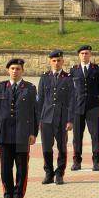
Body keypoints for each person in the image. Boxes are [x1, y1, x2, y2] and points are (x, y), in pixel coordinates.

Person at [0, 58, 38, 198]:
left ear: (22, 70)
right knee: (5, 167)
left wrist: (33, 133)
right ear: (8, 71)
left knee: (22, 167)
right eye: (12, 69)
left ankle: (18, 195)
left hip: (22, 134)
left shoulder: (30, 88)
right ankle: (8, 194)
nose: (15, 71)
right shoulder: (1, 87)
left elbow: (35, 112)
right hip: (4, 133)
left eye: (18, 69)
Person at [37, 50, 74, 185]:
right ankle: (48, 173)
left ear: (63, 61)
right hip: (46, 118)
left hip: (62, 118)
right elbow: (40, 100)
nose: (56, 63)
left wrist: (70, 120)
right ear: (50, 62)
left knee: (62, 147)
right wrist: (38, 120)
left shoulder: (68, 78)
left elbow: (71, 100)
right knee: (46, 147)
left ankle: (59, 173)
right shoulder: (44, 77)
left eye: (59, 60)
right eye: (54, 61)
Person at [70, 45, 99, 171]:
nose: (84, 55)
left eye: (87, 53)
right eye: (82, 53)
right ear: (79, 55)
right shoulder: (74, 70)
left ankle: (96, 161)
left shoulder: (97, 69)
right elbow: (72, 90)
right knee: (77, 136)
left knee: (95, 135)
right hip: (78, 107)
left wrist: (94, 98)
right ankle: (77, 161)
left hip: (93, 107)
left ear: (90, 55)